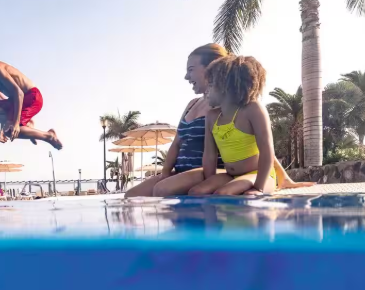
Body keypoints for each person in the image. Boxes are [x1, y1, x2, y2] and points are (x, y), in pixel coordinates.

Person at [124, 43, 312, 198]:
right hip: (188, 173)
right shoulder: (198, 107)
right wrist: (165, 173)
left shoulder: (236, 107)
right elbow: (179, 143)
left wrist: (280, 178)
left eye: (191, 70)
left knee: (164, 190)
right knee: (131, 196)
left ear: (214, 70)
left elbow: (261, 147)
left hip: (219, 172)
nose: (186, 76)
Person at [191, 55, 276, 196]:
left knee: (225, 193)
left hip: (259, 175)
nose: (206, 90)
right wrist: (209, 183)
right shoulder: (212, 117)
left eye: (210, 85)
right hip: (230, 175)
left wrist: (258, 188)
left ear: (225, 87)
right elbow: (210, 155)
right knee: (196, 192)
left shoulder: (252, 109)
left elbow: (267, 150)